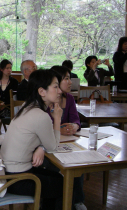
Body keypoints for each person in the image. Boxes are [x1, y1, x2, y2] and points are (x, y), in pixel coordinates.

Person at [0, 69, 63, 210]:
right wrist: (57, 118)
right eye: (55, 86)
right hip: (18, 179)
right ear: (42, 92)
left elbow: (37, 138)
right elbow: (53, 147)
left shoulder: (26, 107)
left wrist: (41, 147)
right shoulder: (41, 115)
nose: (59, 91)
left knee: (56, 177)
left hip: (7, 173)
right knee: (61, 184)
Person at [47, 66, 86, 210]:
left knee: (78, 161)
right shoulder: (46, 99)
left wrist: (74, 126)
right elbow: (42, 126)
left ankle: (77, 200)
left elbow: (76, 120)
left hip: (68, 143)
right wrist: (58, 127)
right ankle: (59, 199)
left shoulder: (69, 99)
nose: (70, 82)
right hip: (50, 145)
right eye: (66, 79)